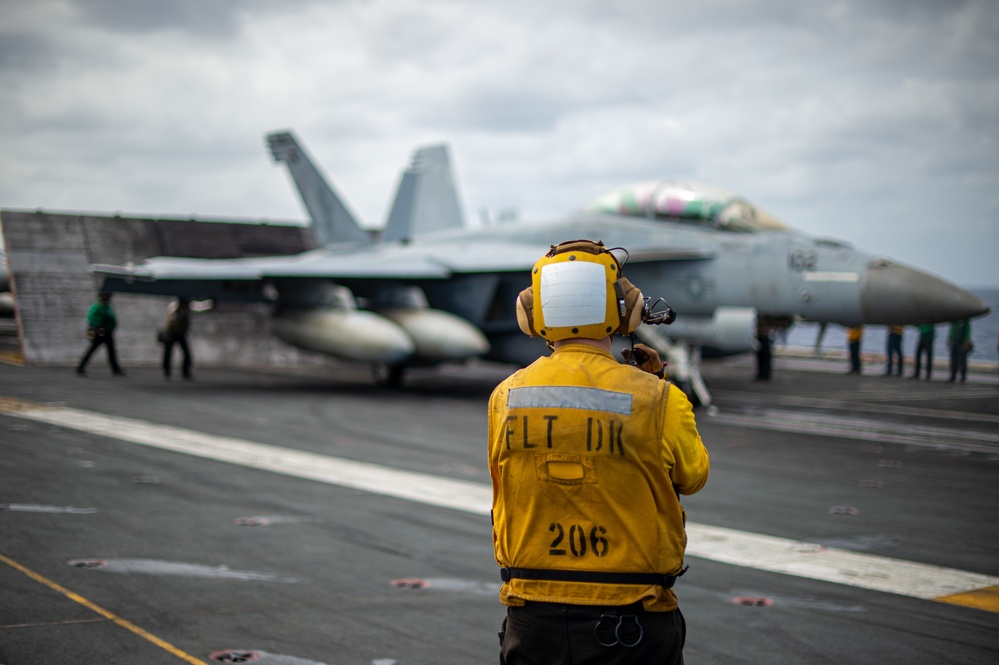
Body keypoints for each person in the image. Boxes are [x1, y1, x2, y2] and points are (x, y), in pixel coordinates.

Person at [489, 239, 710, 665]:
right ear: (624, 309)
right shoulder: (658, 398)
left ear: (533, 314)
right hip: (632, 624)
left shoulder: (505, 397)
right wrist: (657, 387)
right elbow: (693, 476)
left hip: (531, 621)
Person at [76, 291, 125, 377]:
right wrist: (99, 328)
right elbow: (92, 319)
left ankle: (116, 368)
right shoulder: (98, 307)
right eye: (107, 297)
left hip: (108, 332)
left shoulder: (107, 307)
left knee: (112, 351)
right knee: (93, 349)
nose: (109, 299)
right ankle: (81, 367)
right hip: (100, 331)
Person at [161, 297, 193, 380]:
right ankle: (167, 371)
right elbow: (171, 323)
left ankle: (185, 372)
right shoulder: (174, 310)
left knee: (186, 354)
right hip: (172, 333)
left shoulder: (186, 311)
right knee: (168, 353)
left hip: (180, 334)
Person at [947, 319, 972, 383]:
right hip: (954, 342)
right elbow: (952, 330)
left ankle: (963, 377)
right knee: (953, 360)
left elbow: (968, 330)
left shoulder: (965, 320)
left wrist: (966, 340)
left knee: (962, 360)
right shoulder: (954, 320)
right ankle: (953, 376)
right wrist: (949, 339)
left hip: (962, 342)